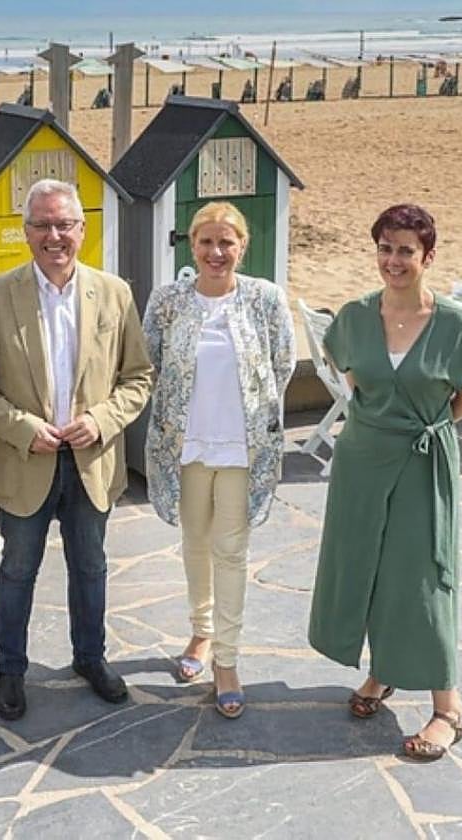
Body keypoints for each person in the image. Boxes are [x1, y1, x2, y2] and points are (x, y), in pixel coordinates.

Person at [0, 178, 153, 721]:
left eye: (64, 224)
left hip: (91, 461)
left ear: (82, 229)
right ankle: (11, 670)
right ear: (25, 233)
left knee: (91, 567)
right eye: (42, 224)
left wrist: (101, 419)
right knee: (19, 569)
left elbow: (137, 377)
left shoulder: (114, 293)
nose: (54, 235)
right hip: (26, 460)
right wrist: (21, 427)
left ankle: (90, 658)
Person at [308, 204, 462, 761]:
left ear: (427, 256)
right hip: (362, 460)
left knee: (424, 576)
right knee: (366, 564)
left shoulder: (456, 324)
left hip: (422, 462)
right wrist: (386, 423)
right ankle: (382, 673)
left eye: (406, 250)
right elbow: (357, 380)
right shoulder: (355, 316)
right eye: (386, 248)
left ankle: (448, 706)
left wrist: (417, 430)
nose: (394, 260)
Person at [142, 201, 295, 719]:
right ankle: (201, 632)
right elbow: (151, 362)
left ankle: (226, 660)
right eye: (206, 242)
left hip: (240, 450)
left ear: (242, 247)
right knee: (195, 544)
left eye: (226, 242)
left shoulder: (265, 300)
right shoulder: (167, 302)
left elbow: (282, 365)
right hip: (185, 449)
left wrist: (255, 421)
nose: (216, 252)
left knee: (232, 551)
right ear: (192, 246)